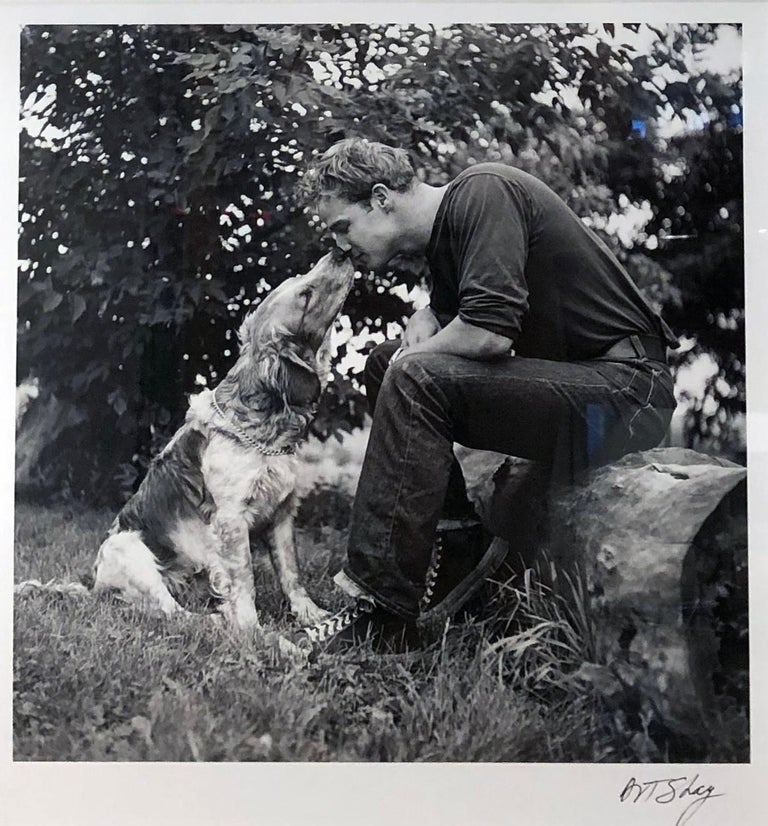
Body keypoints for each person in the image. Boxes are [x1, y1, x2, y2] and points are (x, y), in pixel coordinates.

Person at [294, 137, 678, 653]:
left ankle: (382, 611)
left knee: (410, 374)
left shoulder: (483, 191)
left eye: (343, 227)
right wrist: (429, 315)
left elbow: (489, 332)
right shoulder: (449, 238)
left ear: (381, 198)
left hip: (629, 393)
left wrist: (428, 344)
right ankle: (459, 545)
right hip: (588, 390)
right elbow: (465, 323)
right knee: (389, 362)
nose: (342, 246)